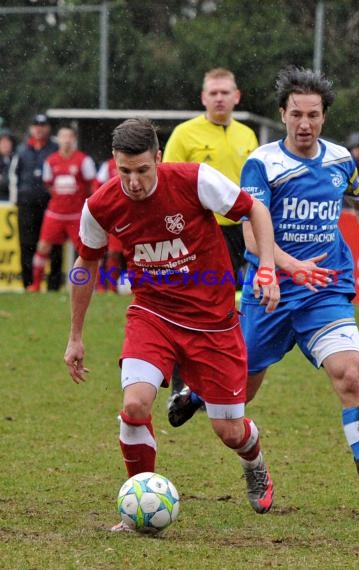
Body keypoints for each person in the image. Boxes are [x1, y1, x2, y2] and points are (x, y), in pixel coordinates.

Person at [170, 67, 359, 520]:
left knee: (350, 375)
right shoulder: (262, 162)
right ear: (282, 114)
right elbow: (255, 235)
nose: (304, 124)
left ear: (323, 117)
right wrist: (288, 267)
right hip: (270, 291)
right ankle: (197, 396)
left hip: (324, 291)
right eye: (296, 114)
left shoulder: (340, 160)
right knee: (240, 396)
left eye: (313, 115)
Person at [63, 118, 280, 532]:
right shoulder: (101, 205)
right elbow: (86, 264)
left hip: (213, 324)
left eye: (143, 170)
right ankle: (137, 503)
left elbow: (255, 209)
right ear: (114, 163)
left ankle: (254, 462)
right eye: (125, 171)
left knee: (229, 430)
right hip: (152, 315)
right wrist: (75, 336)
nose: (134, 182)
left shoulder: (194, 180)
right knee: (134, 406)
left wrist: (266, 268)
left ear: (158, 159)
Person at [163, 67, 259, 399]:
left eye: (225, 92)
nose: (219, 98)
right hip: (199, 234)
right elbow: (167, 183)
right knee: (191, 307)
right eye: (213, 93)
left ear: (237, 96)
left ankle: (218, 384)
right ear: (203, 98)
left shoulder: (248, 136)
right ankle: (181, 385)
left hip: (240, 234)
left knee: (233, 309)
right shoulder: (184, 134)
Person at [27, 125, 96, 292]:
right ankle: (35, 284)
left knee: (84, 250)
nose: (66, 140)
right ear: (58, 139)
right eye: (63, 137)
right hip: (55, 213)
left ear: (74, 139)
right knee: (43, 247)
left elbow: (91, 185)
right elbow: (48, 184)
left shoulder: (83, 160)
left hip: (76, 215)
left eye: (69, 137)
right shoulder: (51, 160)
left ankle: (89, 285)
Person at [9, 113, 63, 290]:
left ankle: (54, 285)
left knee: (54, 245)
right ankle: (29, 284)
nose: (39, 129)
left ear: (48, 128)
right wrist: (15, 200)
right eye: (36, 125)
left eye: (43, 125)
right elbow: (13, 176)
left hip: (50, 205)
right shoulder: (22, 150)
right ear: (31, 128)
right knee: (27, 244)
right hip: (27, 204)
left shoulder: (55, 148)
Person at [92, 157, 126, 293]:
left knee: (139, 253)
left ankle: (142, 289)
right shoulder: (109, 165)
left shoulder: (140, 162)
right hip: (116, 217)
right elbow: (97, 188)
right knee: (113, 253)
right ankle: (109, 289)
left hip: (137, 214)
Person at [0, 129, 16, 201]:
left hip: (12, 197)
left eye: (8, 141)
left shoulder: (16, 158)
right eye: (2, 142)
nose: (5, 145)